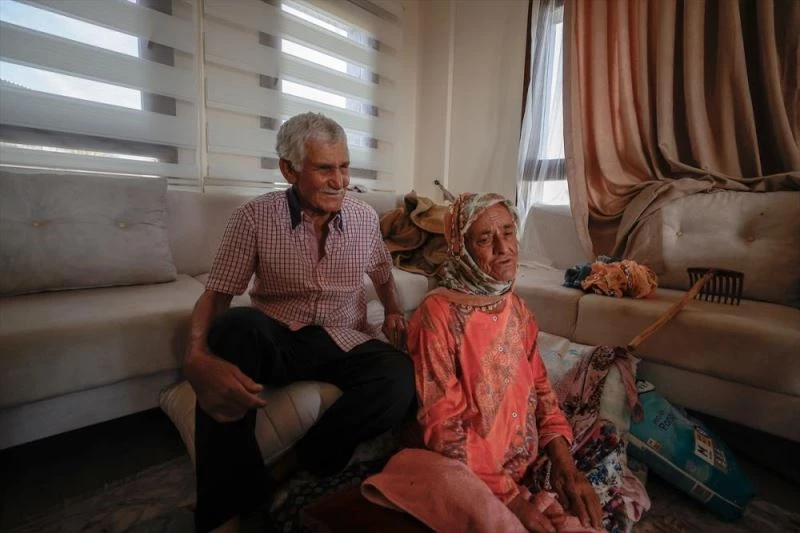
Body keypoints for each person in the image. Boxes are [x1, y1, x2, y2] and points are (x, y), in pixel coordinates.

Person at [184, 112, 415, 532]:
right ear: (289, 170)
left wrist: (395, 311)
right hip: (280, 336)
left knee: (400, 376)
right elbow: (217, 294)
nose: (339, 181)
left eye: (344, 167)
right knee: (233, 329)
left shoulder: (364, 218)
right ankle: (222, 513)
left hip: (343, 337)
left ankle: (287, 467)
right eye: (325, 168)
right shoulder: (253, 217)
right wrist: (196, 356)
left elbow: (383, 275)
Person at [407, 192, 608, 532]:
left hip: (526, 461)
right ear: (460, 248)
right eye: (485, 239)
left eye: (508, 232)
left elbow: (542, 391)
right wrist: (512, 500)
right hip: (468, 468)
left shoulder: (516, 309)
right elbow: (443, 425)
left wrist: (566, 466)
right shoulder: (437, 315)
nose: (504, 248)